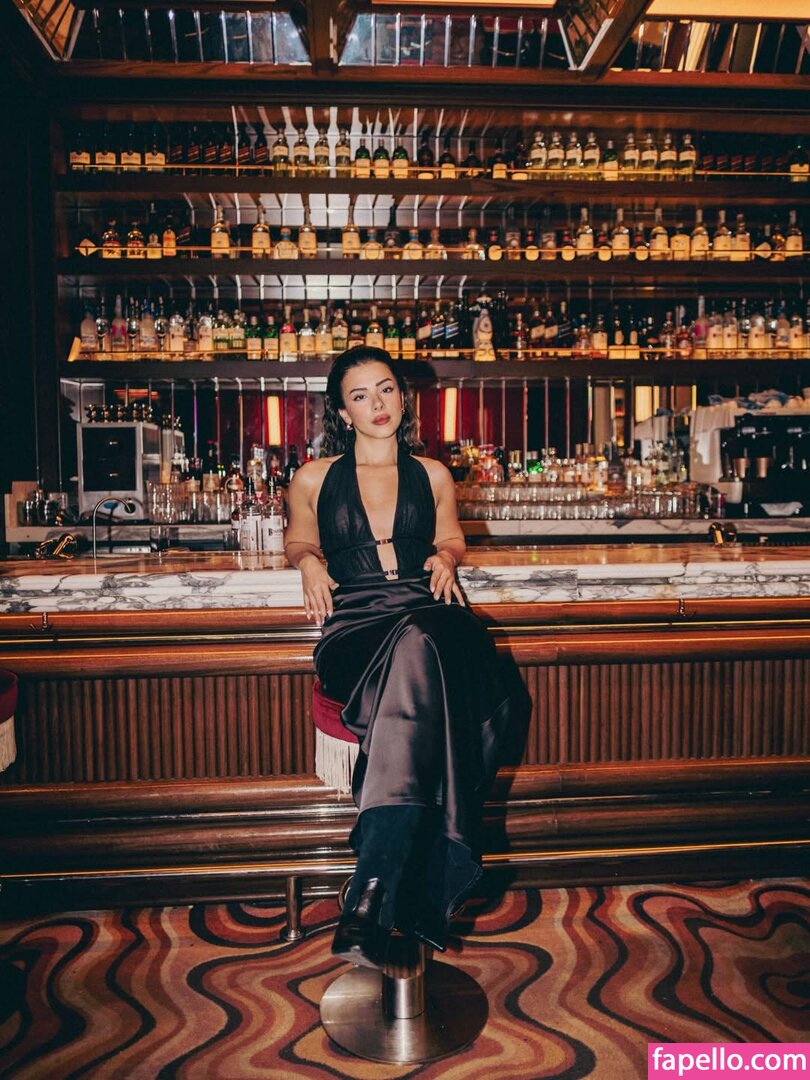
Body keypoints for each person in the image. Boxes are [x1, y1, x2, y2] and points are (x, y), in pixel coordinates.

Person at [284, 345, 530, 968]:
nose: (377, 404)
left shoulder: (434, 474)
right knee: (419, 651)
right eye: (360, 395)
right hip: (358, 628)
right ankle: (403, 883)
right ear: (342, 412)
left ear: (402, 396)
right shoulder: (313, 477)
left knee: (425, 639)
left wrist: (446, 556)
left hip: (430, 612)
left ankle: (371, 890)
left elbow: (452, 538)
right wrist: (308, 562)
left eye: (386, 389)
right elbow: (298, 540)